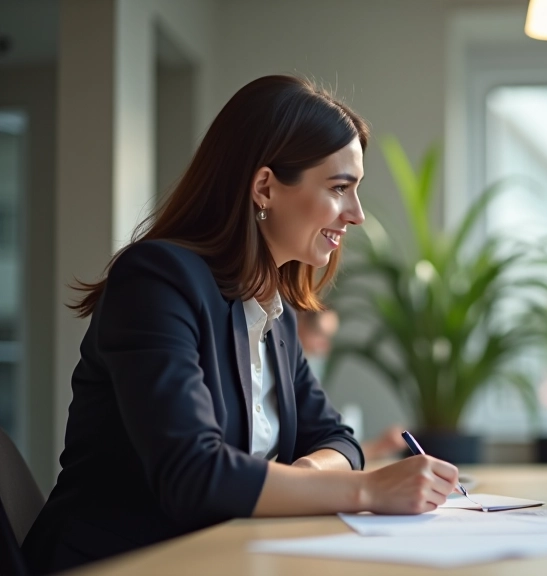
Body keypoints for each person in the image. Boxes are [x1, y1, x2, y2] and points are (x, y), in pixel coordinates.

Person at [22, 76, 459, 574]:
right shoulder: (155, 281)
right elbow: (192, 474)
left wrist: (306, 478)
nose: (356, 214)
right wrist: (364, 491)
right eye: (340, 188)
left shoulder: (272, 311)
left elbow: (337, 439)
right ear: (265, 187)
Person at [295, 309, 406, 460]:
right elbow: (308, 455)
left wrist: (379, 447)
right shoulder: (287, 381)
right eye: (319, 334)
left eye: (329, 338)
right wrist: (376, 448)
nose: (324, 347)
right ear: (298, 325)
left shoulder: (309, 379)